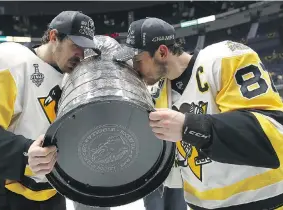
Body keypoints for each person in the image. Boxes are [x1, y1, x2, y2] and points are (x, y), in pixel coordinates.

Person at [114, 17, 283, 210]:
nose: (135, 69)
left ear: (162, 52)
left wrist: (190, 127)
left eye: (137, 61)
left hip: (264, 201)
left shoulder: (224, 59)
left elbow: (274, 135)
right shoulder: (157, 93)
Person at [0, 11, 97, 210]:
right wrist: (24, 152)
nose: (80, 55)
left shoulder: (73, 79)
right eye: (76, 45)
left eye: (85, 49)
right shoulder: (9, 60)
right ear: (54, 37)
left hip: (51, 194)